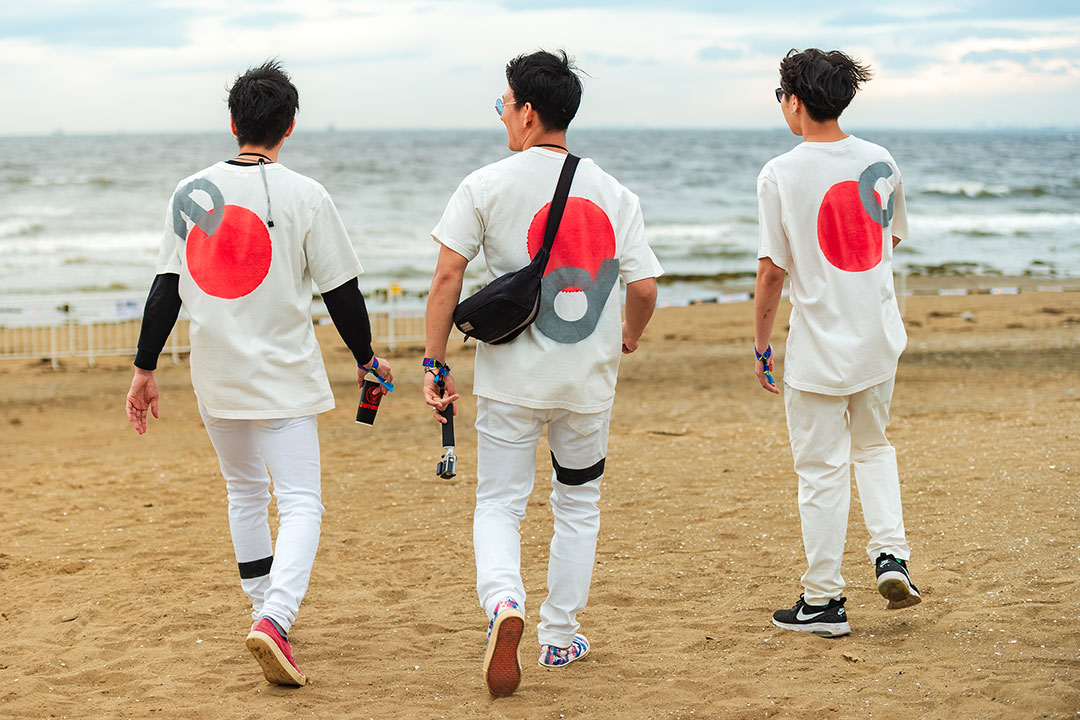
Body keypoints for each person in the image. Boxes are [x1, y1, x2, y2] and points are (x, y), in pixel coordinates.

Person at [124, 60, 392, 685]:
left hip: (216, 375)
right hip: (284, 375)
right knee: (301, 502)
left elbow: (166, 289)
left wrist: (144, 368)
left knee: (244, 492)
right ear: (290, 126)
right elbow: (342, 292)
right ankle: (275, 619)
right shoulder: (306, 195)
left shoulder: (190, 192)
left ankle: (264, 613)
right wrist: (366, 359)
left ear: (232, 121)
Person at [423, 49, 662, 696]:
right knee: (577, 501)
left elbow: (448, 277)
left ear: (528, 112)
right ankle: (559, 637)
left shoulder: (485, 184)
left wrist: (434, 360)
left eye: (504, 103)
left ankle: (505, 602)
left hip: (510, 381)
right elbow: (642, 288)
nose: (502, 114)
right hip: (587, 380)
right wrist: (629, 338)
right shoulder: (615, 192)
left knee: (500, 502)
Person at [753, 48, 920, 638]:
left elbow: (773, 270)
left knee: (821, 470)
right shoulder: (880, 161)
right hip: (877, 339)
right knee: (874, 448)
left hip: (818, 350)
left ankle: (823, 601)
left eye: (781, 97)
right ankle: (891, 555)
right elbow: (886, 245)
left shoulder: (780, 172)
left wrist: (760, 342)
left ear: (794, 101)